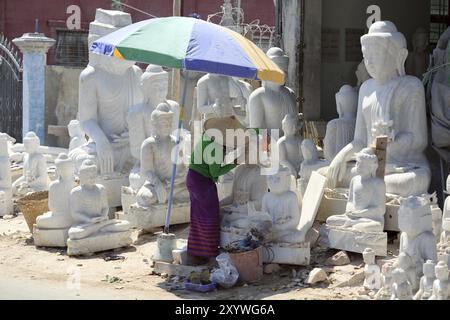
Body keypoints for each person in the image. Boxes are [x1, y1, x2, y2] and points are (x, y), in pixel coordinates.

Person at [186, 116, 255, 265]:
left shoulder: (209, 137)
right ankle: (209, 253)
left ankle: (195, 253)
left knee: (198, 216)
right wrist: (235, 162)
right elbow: (215, 172)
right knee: (210, 215)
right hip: (202, 181)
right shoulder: (216, 146)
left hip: (195, 178)